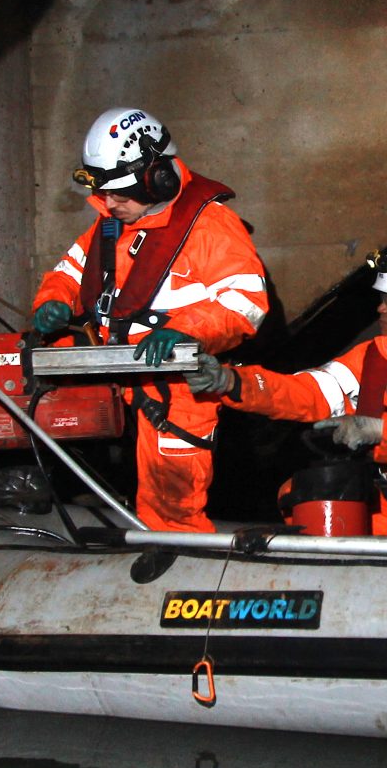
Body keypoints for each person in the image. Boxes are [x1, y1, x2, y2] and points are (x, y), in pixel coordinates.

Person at [26, 108, 268, 531]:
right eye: (105, 193)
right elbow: (70, 271)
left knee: (171, 496)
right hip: (110, 366)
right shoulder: (110, 222)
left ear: (158, 179)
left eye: (120, 193)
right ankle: (29, 486)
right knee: (22, 376)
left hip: (171, 384)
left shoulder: (211, 227)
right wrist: (55, 300)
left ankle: (177, 551)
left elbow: (246, 304)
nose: (109, 203)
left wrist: (184, 332)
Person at [185, 238, 387, 535]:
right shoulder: (372, 356)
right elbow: (308, 392)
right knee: (305, 489)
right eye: (382, 300)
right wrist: (232, 382)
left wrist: (379, 431)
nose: (380, 309)